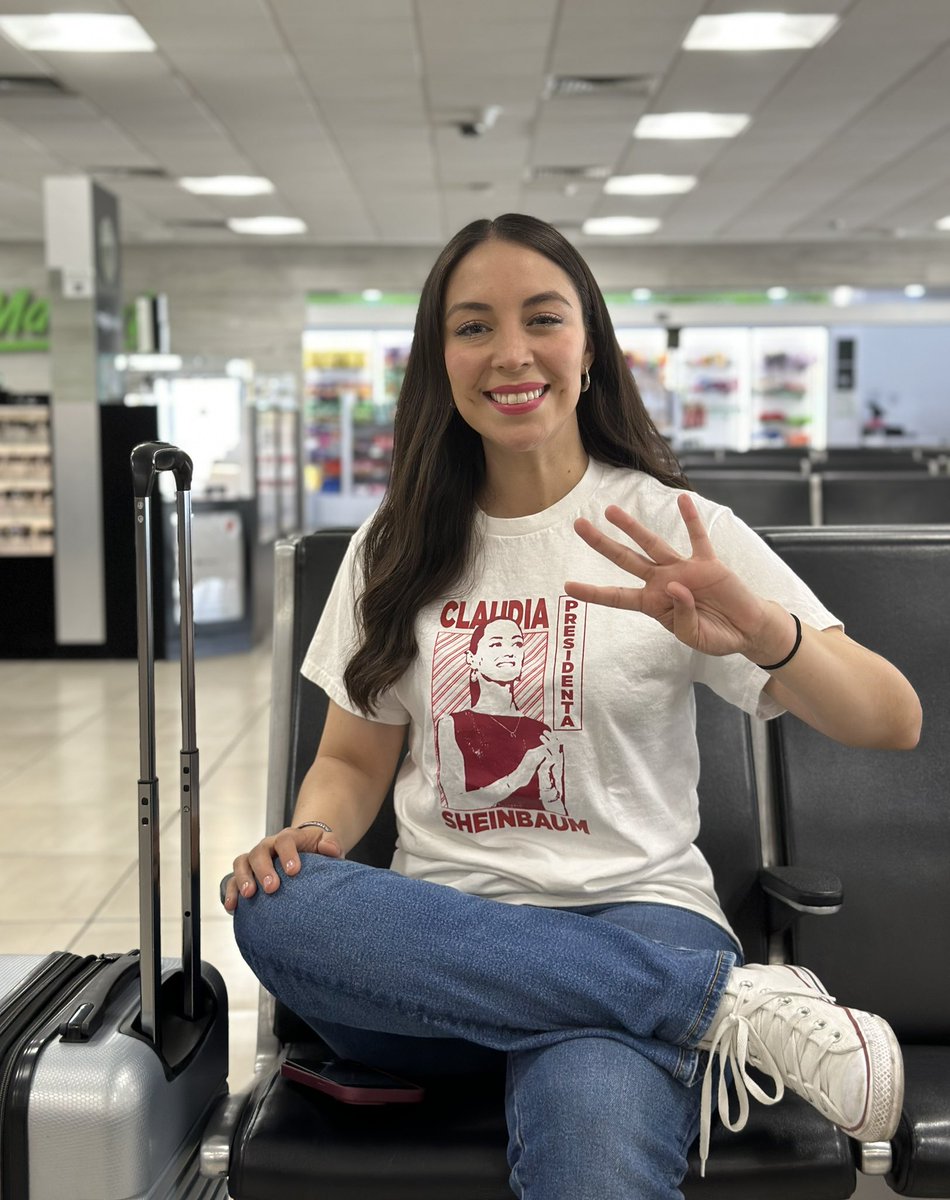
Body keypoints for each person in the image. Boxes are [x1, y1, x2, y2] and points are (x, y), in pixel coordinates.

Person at [225, 213, 922, 1200]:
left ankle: (666, 997)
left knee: (589, 1130)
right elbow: (349, 764)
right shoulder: (392, 544)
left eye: (541, 318)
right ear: (439, 361)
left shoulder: (674, 529)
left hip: (639, 914)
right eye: (472, 327)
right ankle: (718, 1007)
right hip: (437, 945)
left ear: (587, 344)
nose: (510, 352)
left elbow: (889, 719)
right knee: (275, 908)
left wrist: (762, 631)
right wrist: (306, 834)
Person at [436, 617, 566, 814]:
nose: (509, 651)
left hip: (542, 840)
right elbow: (455, 802)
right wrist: (520, 775)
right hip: (473, 840)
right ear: (472, 658)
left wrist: (549, 785)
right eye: (496, 643)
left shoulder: (541, 731)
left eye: (517, 643)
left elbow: (557, 812)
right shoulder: (452, 724)